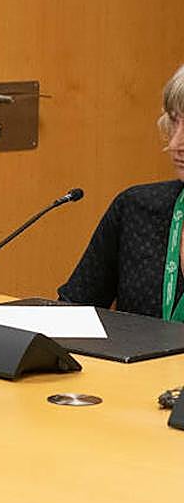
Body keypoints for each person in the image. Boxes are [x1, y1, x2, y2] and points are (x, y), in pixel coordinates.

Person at [60, 63, 184, 318]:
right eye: (174, 122)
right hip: (141, 360)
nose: (175, 144)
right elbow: (71, 310)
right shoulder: (137, 208)